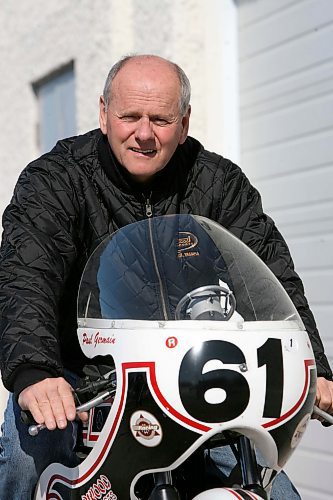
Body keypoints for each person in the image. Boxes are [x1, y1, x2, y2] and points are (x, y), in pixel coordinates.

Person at [0, 54, 332, 498]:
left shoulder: (219, 184)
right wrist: (35, 372)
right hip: (76, 373)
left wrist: (316, 370)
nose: (143, 133)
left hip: (184, 373)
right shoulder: (56, 179)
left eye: (160, 118)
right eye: (129, 116)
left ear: (184, 122)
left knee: (273, 486)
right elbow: (27, 275)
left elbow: (271, 276)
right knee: (27, 461)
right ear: (103, 114)